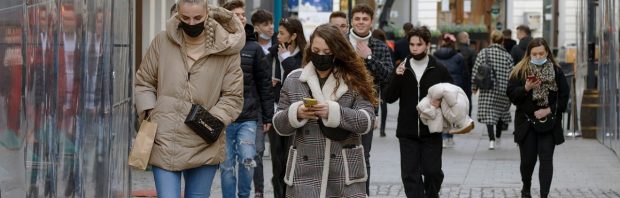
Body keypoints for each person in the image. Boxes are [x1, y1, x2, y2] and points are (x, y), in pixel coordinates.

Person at [134, 0, 245, 197]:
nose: (191, 23)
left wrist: (211, 120)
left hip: (204, 141)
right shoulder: (162, 41)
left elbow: (233, 97)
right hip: (165, 138)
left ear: (207, 14)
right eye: (185, 18)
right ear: (177, 14)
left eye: (197, 18)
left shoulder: (227, 51)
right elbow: (144, 82)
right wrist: (151, 113)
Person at [272, 24, 377, 198]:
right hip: (304, 174)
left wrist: (334, 112)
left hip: (344, 172)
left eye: (327, 52)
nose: (321, 56)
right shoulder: (295, 79)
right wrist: (296, 113)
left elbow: (367, 121)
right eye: (316, 50)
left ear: (337, 52)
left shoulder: (353, 80)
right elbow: (279, 124)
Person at [385, 26, 452, 198]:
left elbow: (453, 95)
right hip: (407, 132)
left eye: (419, 44)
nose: (415, 48)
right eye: (412, 44)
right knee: (410, 175)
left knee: (433, 172)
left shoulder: (439, 69)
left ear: (428, 45)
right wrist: (396, 76)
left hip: (431, 131)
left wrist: (440, 102)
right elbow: (389, 97)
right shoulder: (402, 68)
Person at [221, 1, 274, 198]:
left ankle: (244, 195)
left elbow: (264, 84)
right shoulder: (218, 46)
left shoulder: (254, 48)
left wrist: (268, 117)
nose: (242, 18)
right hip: (223, 117)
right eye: (237, 14)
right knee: (226, 166)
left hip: (249, 116)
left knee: (247, 159)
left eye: (243, 14)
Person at [506, 38, 569, 198]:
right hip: (526, 123)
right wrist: (526, 88)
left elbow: (564, 97)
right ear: (529, 54)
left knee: (546, 159)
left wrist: (548, 110)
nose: (539, 56)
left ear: (547, 52)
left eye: (541, 53)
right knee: (527, 161)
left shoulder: (556, 71)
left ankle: (544, 194)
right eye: (535, 54)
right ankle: (526, 186)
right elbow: (512, 95)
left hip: (548, 123)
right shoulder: (520, 70)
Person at [348, 4, 394, 194]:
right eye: (357, 18)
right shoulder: (340, 42)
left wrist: (369, 58)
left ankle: (362, 193)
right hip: (337, 105)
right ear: (351, 20)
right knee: (339, 153)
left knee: (363, 155)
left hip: (367, 107)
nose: (360, 22)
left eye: (364, 19)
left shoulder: (379, 47)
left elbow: (389, 77)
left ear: (371, 22)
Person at [267, 17, 306, 198]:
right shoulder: (272, 53)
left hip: (297, 114)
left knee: (292, 161)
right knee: (277, 162)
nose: (278, 37)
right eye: (278, 33)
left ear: (294, 36)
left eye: (282, 33)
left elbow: (300, 79)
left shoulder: (305, 55)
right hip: (276, 112)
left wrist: (286, 59)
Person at [471, 31, 513, 150]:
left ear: (491, 40)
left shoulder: (484, 53)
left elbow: (476, 71)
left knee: (489, 114)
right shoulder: (507, 56)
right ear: (502, 41)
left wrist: (474, 87)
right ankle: (498, 136)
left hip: (487, 88)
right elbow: (512, 74)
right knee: (500, 112)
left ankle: (491, 140)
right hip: (503, 89)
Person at [249, 9, 276, 197]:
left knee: (280, 152)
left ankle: (280, 189)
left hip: (279, 103)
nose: (271, 27)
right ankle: (259, 189)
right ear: (257, 27)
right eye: (266, 24)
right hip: (257, 105)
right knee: (257, 151)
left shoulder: (281, 45)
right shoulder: (250, 47)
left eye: (271, 23)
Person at [433, 33, 467, 148]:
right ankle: (449, 137)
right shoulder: (458, 57)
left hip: (438, 87)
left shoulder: (434, 56)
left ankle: (442, 136)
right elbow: (464, 74)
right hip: (454, 88)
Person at [372, 29, 392, 137]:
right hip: (385, 80)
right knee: (383, 105)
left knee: (373, 102)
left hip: (374, 80)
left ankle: (373, 121)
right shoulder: (387, 48)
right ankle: (382, 129)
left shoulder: (371, 48)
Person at [456, 31, 475, 115]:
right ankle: (467, 121)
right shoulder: (471, 51)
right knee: (467, 101)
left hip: (455, 81)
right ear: (464, 38)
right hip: (467, 81)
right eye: (467, 37)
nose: (469, 39)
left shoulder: (455, 50)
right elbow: (475, 67)